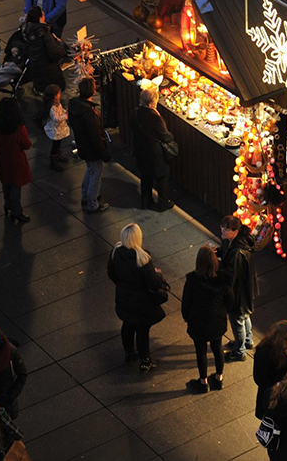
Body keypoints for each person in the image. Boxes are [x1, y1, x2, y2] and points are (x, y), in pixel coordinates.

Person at [108, 223, 168, 372]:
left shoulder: (116, 252)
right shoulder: (142, 258)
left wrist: (122, 285)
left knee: (127, 324)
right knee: (142, 330)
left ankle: (129, 352)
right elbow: (153, 284)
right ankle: (145, 360)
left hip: (124, 298)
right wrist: (158, 274)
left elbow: (111, 273)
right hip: (142, 302)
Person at [182, 245, 232, 393]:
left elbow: (186, 302)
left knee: (201, 351)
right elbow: (230, 301)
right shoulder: (222, 281)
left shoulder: (192, 280)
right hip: (217, 320)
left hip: (198, 322)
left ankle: (203, 382)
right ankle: (218, 378)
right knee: (217, 348)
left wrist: (187, 317)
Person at [218, 215, 258, 361]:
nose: (222, 230)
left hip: (238, 294)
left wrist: (217, 269)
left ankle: (239, 351)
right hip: (245, 291)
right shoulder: (237, 244)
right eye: (222, 226)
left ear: (235, 232)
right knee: (244, 316)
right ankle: (248, 341)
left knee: (237, 321)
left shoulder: (237, 252)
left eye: (226, 228)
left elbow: (231, 275)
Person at [0, 99, 32, 223]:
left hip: (2, 160)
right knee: (16, 187)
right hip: (17, 161)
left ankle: (7, 205)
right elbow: (26, 144)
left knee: (6, 183)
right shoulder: (19, 128)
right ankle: (17, 212)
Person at [68, 76, 110, 213]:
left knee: (90, 170)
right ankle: (92, 204)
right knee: (95, 175)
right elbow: (96, 137)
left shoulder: (75, 107)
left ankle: (86, 196)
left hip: (83, 146)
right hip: (92, 150)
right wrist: (104, 154)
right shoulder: (89, 114)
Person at [132, 86, 174, 211]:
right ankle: (163, 203)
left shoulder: (136, 112)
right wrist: (172, 135)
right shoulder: (154, 117)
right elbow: (165, 136)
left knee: (145, 176)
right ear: (151, 103)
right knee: (161, 177)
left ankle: (146, 201)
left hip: (140, 149)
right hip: (154, 153)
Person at [21, 6, 65, 92]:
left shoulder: (27, 31)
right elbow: (55, 53)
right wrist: (59, 43)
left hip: (36, 68)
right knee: (53, 92)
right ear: (40, 18)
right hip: (49, 70)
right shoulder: (44, 33)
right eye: (43, 14)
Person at [42, 83, 69, 171]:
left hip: (58, 128)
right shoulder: (52, 107)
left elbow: (60, 111)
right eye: (59, 94)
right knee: (55, 145)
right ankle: (53, 162)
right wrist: (65, 115)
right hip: (55, 130)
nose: (60, 95)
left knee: (58, 144)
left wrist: (64, 112)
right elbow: (56, 118)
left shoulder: (57, 103)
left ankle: (58, 156)